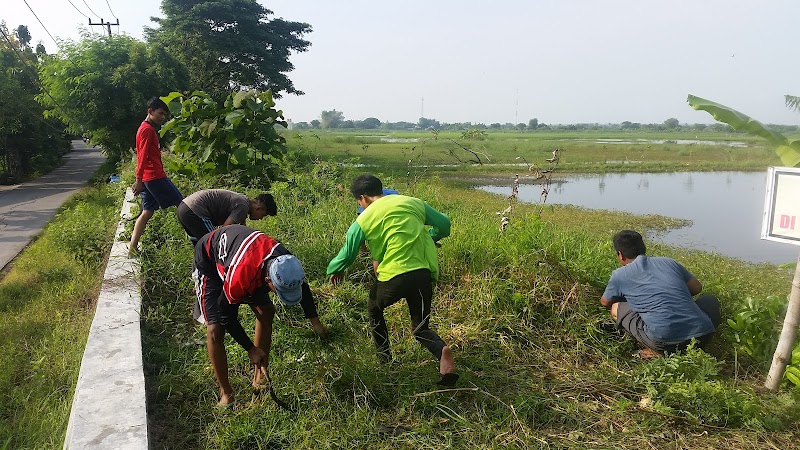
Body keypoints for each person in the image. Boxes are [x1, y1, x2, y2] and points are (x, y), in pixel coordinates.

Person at [327, 174, 458, 386]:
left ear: (363, 198)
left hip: (394, 276)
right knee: (421, 328)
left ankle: (386, 360)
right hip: (422, 273)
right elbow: (444, 225)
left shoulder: (364, 218)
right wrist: (430, 237)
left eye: (359, 202)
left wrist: (335, 269)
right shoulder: (413, 203)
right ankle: (442, 351)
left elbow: (347, 253)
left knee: (374, 308)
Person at [193, 224, 324, 406]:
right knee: (215, 330)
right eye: (278, 291)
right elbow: (226, 315)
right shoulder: (240, 277)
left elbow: (301, 285)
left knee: (266, 311)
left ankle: (259, 377)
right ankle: (227, 393)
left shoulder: (286, 261)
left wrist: (316, 324)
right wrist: (250, 349)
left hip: (248, 258)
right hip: (210, 261)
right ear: (269, 280)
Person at [600, 230, 721, 358]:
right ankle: (688, 347)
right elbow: (696, 288)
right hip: (703, 336)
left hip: (664, 341)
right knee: (709, 300)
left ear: (620, 254)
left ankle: (659, 352)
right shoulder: (669, 262)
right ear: (643, 248)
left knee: (616, 308)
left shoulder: (619, 275)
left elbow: (605, 302)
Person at [129, 97, 183, 256]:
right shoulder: (147, 130)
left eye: (165, 115)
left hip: (147, 177)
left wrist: (139, 179)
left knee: (147, 212)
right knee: (183, 205)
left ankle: (132, 248)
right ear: (150, 111)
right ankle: (199, 240)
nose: (162, 117)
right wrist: (138, 180)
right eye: (160, 113)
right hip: (153, 176)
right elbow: (143, 156)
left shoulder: (143, 128)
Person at [177, 189, 278, 246]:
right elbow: (225, 229)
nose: (260, 219)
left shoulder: (243, 201)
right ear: (259, 208)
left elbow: (243, 230)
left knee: (201, 247)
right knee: (215, 244)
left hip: (184, 208)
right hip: (195, 211)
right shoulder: (243, 207)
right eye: (263, 215)